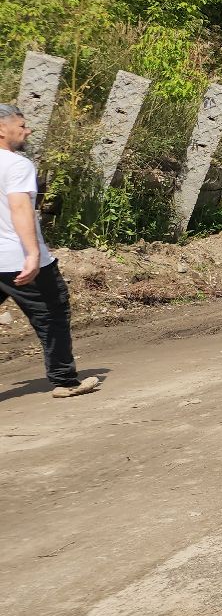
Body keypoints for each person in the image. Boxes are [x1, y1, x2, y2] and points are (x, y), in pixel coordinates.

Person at [0, 103, 100, 398]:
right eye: (21, 126)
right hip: (19, 258)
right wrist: (32, 254)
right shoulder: (17, 164)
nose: (27, 130)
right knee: (52, 312)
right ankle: (65, 380)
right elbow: (20, 209)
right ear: (1, 129)